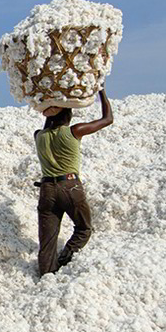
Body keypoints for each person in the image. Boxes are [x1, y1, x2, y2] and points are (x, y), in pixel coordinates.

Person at [34, 85, 113, 276]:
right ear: (67, 117)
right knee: (84, 228)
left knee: (47, 240)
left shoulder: (39, 136)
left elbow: (47, 126)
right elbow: (108, 119)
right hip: (70, 187)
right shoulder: (74, 131)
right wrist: (101, 91)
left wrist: (50, 105)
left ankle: (46, 276)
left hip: (46, 190)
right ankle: (65, 259)